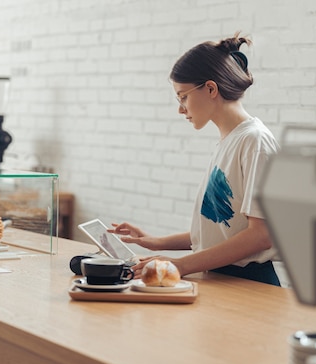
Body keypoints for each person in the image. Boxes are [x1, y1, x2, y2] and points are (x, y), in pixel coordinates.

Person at [109, 33, 281, 286]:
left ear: (211, 88)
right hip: (220, 278)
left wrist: (178, 265)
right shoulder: (229, 142)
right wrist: (157, 242)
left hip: (250, 284)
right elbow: (222, 232)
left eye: (183, 97)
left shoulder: (255, 142)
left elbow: (261, 236)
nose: (181, 109)